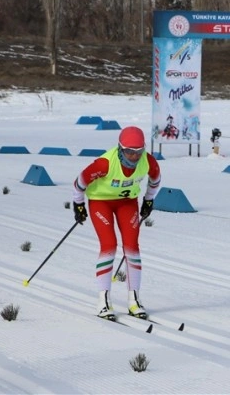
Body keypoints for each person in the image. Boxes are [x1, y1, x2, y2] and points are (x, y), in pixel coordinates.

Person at [72, 126, 161, 320]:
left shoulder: (148, 161)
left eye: (138, 151)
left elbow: (155, 179)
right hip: (100, 202)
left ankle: (134, 301)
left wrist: (148, 199)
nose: (134, 156)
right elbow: (80, 182)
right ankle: (103, 301)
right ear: (120, 148)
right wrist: (78, 204)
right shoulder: (105, 164)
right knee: (109, 245)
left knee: (132, 247)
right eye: (129, 151)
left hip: (127, 203)